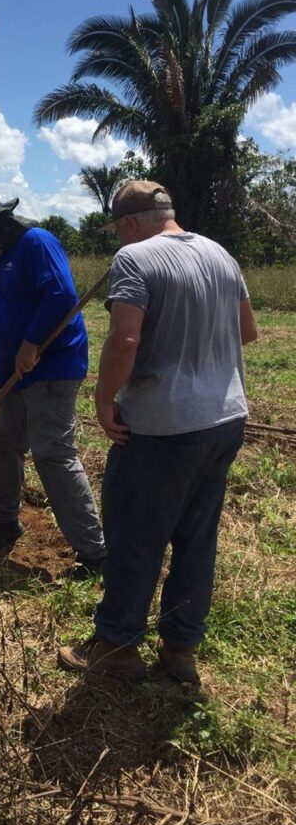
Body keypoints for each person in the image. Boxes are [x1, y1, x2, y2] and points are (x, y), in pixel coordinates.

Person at [58, 181, 258, 682]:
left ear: (128, 223)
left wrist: (104, 400)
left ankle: (118, 647)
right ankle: (180, 649)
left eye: (117, 231)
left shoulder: (135, 259)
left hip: (163, 427)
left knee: (135, 535)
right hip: (225, 418)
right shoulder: (221, 255)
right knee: (196, 538)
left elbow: (125, 338)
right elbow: (248, 331)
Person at [0, 192, 105, 571]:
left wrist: (29, 345)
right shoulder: (4, 258)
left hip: (50, 370)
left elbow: (61, 296)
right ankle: (6, 523)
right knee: (4, 445)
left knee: (53, 455)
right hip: (16, 374)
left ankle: (94, 552)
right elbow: (7, 309)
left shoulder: (37, 243)